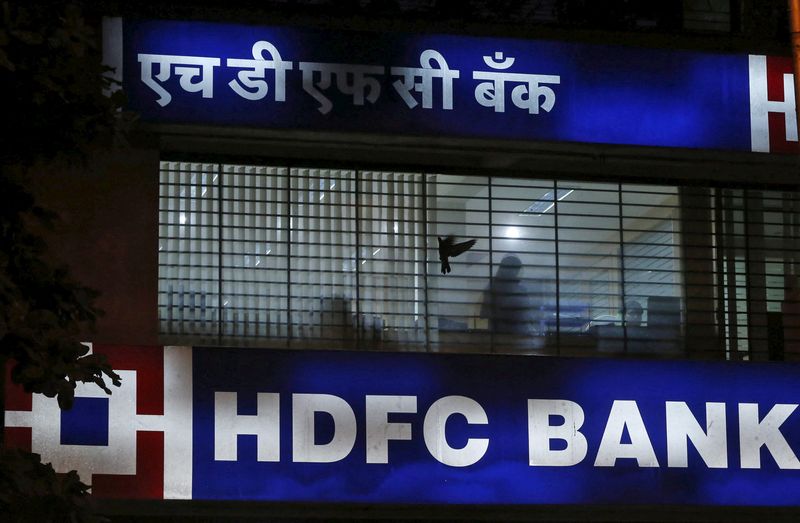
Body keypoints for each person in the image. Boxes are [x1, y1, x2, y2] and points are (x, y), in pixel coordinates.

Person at [480, 255, 543, 350]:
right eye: (515, 269)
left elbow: (484, 314)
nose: (516, 273)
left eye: (517, 270)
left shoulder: (519, 289)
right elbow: (484, 314)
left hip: (511, 339)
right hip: (507, 339)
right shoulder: (517, 290)